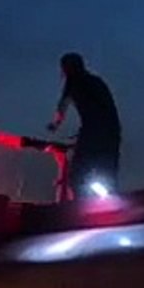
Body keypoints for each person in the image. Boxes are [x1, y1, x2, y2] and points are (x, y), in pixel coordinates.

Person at [47, 52, 121, 199]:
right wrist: (56, 124)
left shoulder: (81, 83)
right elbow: (62, 106)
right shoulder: (84, 82)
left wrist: (56, 124)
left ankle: (85, 207)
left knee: (80, 174)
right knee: (99, 173)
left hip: (99, 132)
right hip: (104, 131)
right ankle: (99, 203)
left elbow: (62, 107)